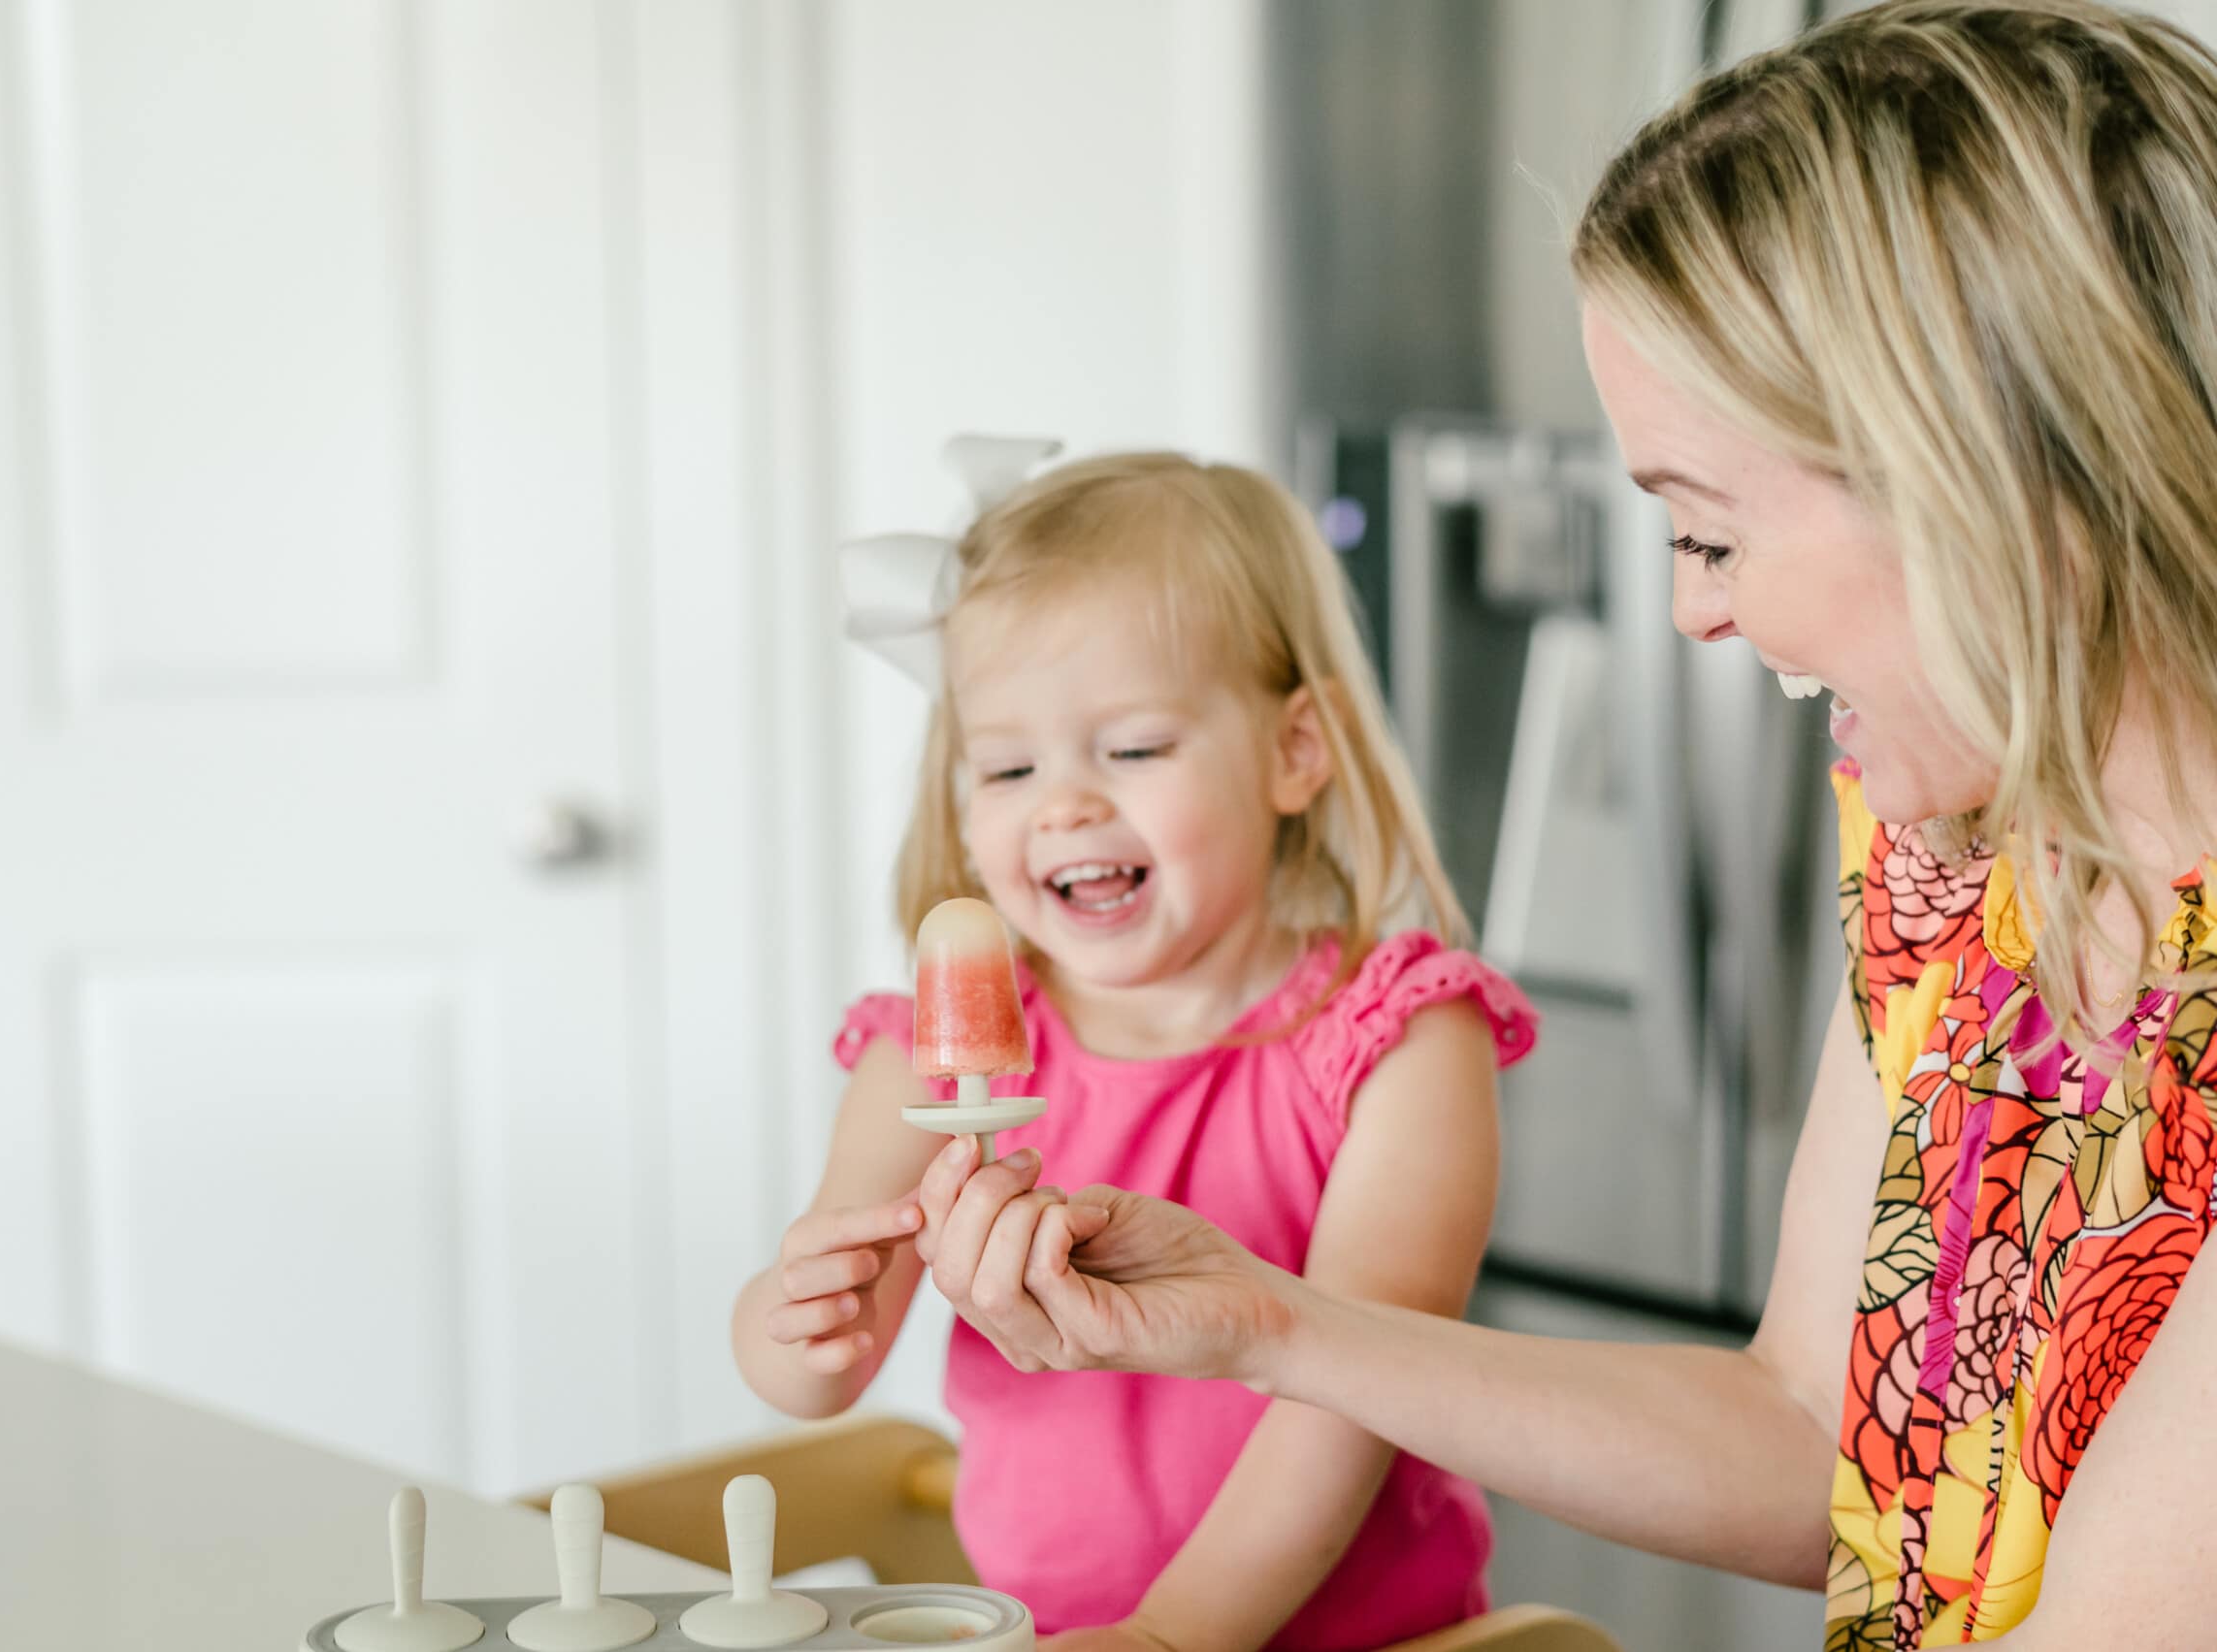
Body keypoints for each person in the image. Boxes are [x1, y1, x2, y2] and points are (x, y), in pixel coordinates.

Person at [909, 4, 2217, 1647]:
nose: (1688, 615)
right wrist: (1267, 1323)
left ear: (1986, 480)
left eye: (1712, 532)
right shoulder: (1961, 866)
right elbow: (1821, 1433)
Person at [730, 450, 1541, 1650]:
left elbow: (1356, 1398)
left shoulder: (1403, 1038)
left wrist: (1172, 1635)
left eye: (1132, 748)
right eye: (1008, 766)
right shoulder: (927, 1061)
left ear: (1293, 748)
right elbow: (812, 1376)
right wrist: (796, 1323)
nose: (1059, 804)